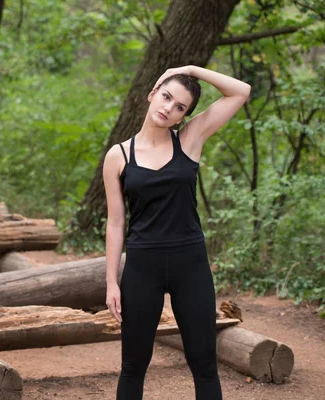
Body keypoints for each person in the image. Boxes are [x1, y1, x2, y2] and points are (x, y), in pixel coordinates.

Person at [103, 65, 251, 400]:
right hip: (142, 269)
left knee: (204, 364)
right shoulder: (118, 156)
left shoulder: (190, 139)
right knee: (133, 366)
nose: (169, 107)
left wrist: (190, 69)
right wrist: (112, 281)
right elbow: (116, 223)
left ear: (183, 116)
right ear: (153, 92)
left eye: (180, 107)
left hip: (191, 266)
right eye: (167, 96)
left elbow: (240, 91)